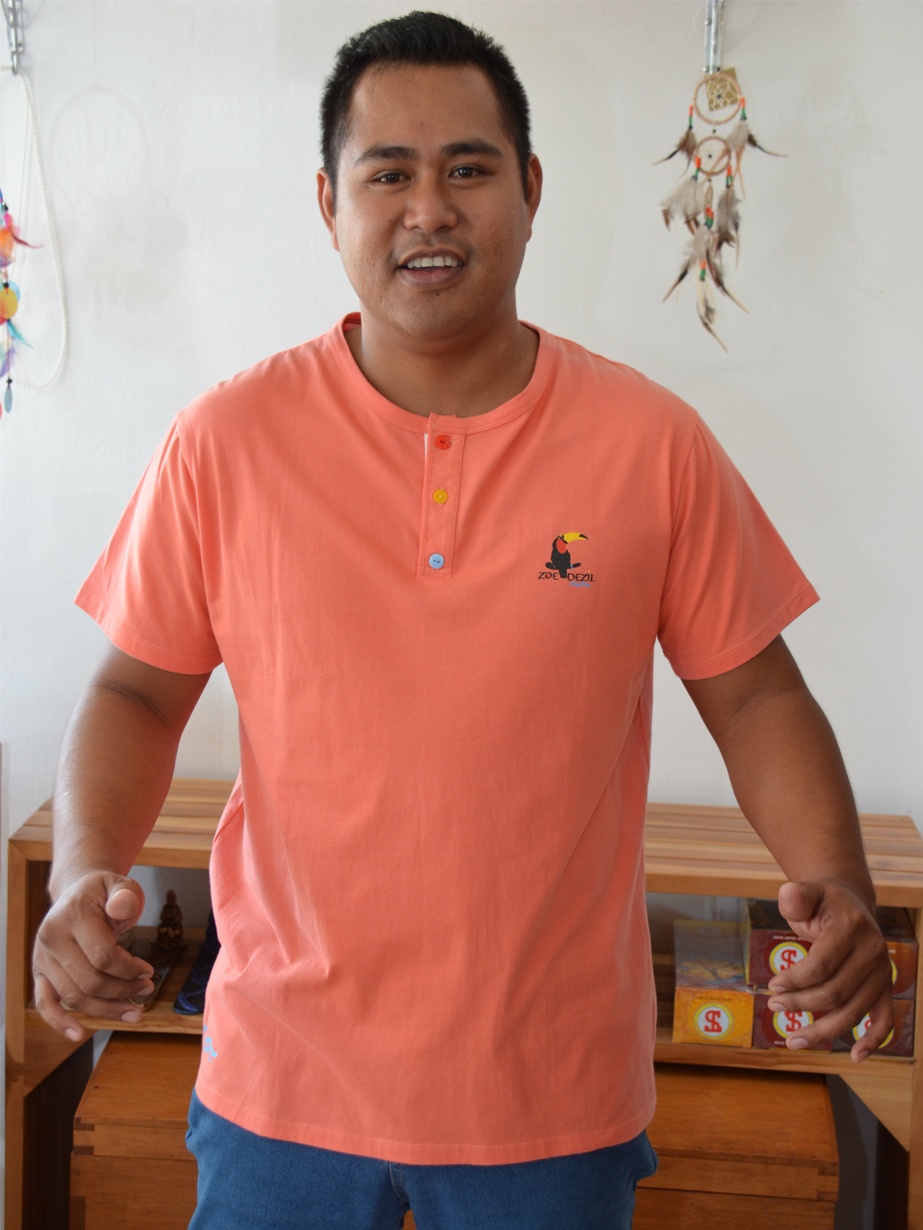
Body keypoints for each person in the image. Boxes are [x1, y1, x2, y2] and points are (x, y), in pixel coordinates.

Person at [34, 11, 892, 1229]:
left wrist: (836, 880)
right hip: (281, 1083)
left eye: (468, 169)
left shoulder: (649, 445)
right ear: (327, 204)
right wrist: (82, 870)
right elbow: (134, 690)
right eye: (386, 173)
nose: (428, 209)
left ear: (530, 192)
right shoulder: (224, 443)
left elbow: (754, 693)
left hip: (549, 1098)